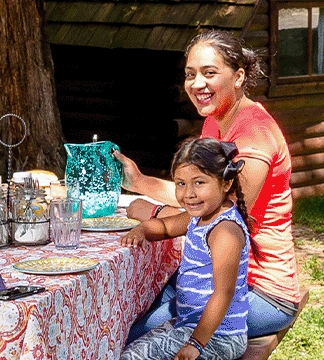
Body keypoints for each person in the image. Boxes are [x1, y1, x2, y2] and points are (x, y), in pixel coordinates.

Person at [118, 29, 301, 338]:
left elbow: (220, 219)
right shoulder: (215, 120)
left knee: (138, 337)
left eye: (209, 73)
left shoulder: (253, 138)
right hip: (210, 274)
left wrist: (154, 215)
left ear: (238, 76)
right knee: (126, 317)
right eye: (191, 74)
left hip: (260, 290)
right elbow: (201, 197)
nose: (197, 84)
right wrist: (139, 181)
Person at [118, 136, 268, 360]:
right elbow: (166, 227)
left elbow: (223, 295)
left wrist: (195, 343)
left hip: (218, 335)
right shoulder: (199, 218)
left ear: (226, 183)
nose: (188, 194)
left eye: (199, 183)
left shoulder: (225, 230)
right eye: (182, 184)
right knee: (131, 348)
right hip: (191, 325)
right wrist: (144, 227)